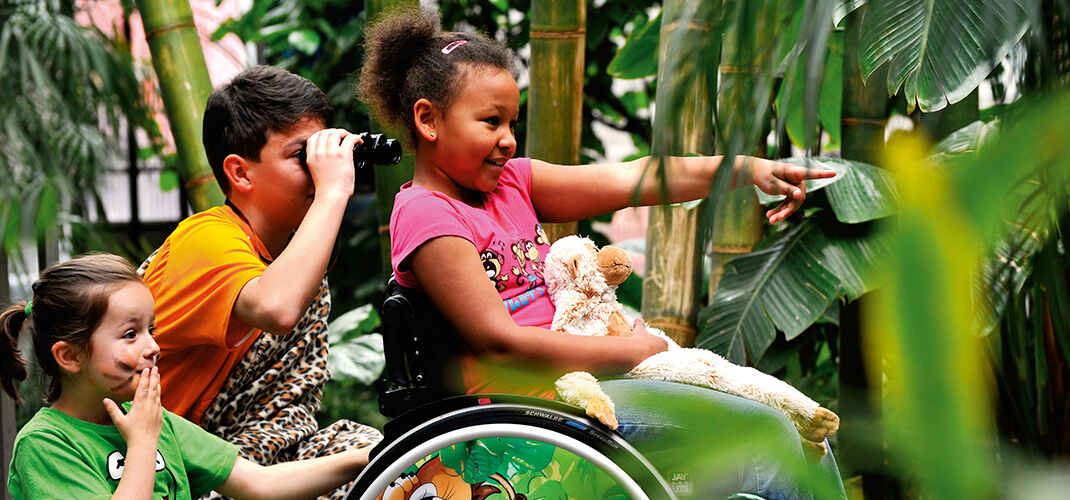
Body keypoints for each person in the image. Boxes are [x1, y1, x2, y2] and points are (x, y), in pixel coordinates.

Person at [358, 8, 846, 500]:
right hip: (535, 406)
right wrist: (630, 351)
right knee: (766, 434)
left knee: (795, 432)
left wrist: (745, 169)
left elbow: (631, 178)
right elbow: (500, 344)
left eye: (511, 123)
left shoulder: (513, 183)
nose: (508, 139)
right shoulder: (425, 212)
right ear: (428, 119)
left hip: (589, 382)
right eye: (491, 122)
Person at [139, 65, 381, 499]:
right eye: (302, 156)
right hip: (162, 470)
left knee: (385, 459)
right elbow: (277, 309)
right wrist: (332, 192)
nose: (321, 169)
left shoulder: (293, 256)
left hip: (250, 460)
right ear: (240, 173)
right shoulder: (205, 238)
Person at [0, 253, 370, 500]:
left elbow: (261, 483)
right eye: (130, 334)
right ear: (70, 356)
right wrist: (142, 443)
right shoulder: (45, 445)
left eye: (151, 330)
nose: (152, 347)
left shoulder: (154, 421)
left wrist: (367, 457)